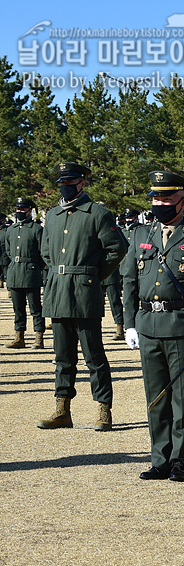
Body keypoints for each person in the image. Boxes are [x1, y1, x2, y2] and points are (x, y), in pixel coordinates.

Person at [123, 171, 184, 481]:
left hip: (181, 327)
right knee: (156, 397)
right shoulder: (140, 235)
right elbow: (128, 280)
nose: (159, 203)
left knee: (183, 397)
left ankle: (180, 460)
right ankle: (159, 459)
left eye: (165, 198)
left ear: (182, 200)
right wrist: (128, 324)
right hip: (148, 324)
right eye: (155, 198)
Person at [37, 162, 129, 431]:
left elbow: (117, 249)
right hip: (57, 291)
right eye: (62, 182)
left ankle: (103, 410)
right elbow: (45, 252)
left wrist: (93, 276)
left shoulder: (97, 213)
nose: (66, 186)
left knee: (94, 356)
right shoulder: (52, 215)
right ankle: (62, 410)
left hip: (84, 292)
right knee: (62, 357)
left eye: (71, 181)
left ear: (82, 183)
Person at [3, 198, 46, 349]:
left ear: (29, 211)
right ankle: (19, 337)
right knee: (18, 308)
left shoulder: (36, 229)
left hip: (31, 273)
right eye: (18, 209)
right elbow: (8, 251)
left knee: (35, 308)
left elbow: (43, 253)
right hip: (15, 272)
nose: (19, 212)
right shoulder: (11, 229)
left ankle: (38, 338)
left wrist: (34, 266)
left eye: (23, 210)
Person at [101, 210, 128, 341]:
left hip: (110, 272)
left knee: (115, 301)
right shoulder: (92, 227)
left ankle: (119, 328)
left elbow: (123, 247)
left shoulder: (114, 229)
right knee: (94, 303)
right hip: (96, 272)